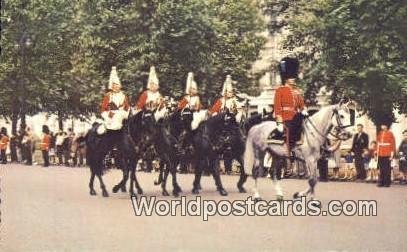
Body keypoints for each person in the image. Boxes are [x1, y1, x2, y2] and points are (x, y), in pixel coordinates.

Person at [273, 57, 307, 158]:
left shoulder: (297, 91)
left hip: (296, 117)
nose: (293, 79)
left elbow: (302, 105)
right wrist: (279, 122)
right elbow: (277, 107)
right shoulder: (280, 90)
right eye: (291, 77)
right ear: (286, 79)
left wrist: (304, 109)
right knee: (289, 130)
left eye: (294, 77)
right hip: (285, 118)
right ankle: (288, 150)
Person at [97, 66, 130, 135]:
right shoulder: (108, 95)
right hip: (110, 115)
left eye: (117, 85)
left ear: (119, 86)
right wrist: (107, 116)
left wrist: (124, 113)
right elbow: (103, 109)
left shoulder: (124, 96)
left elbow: (127, 107)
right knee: (102, 131)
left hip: (122, 115)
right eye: (113, 85)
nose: (115, 87)